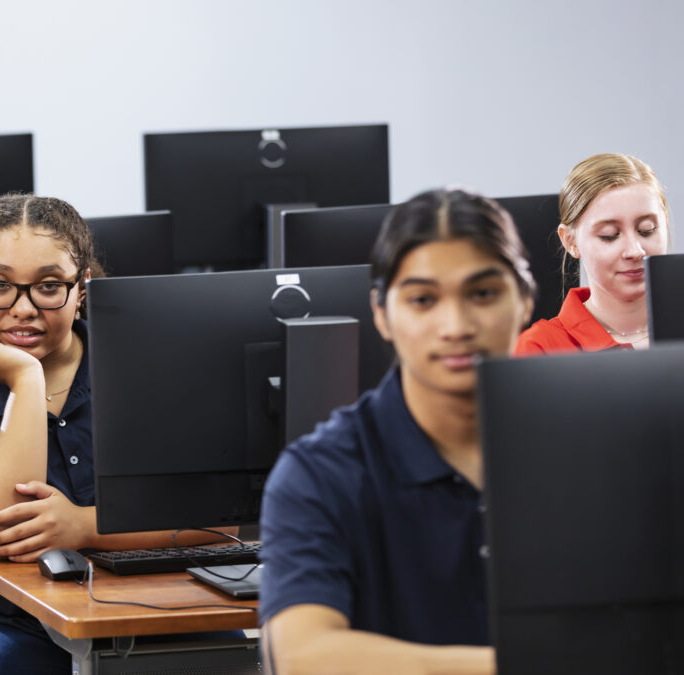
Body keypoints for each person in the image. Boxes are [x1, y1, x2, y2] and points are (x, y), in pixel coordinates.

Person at [0, 193, 237, 674]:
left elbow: (221, 523)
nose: (22, 307)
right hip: (13, 625)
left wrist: (84, 526)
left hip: (167, 607)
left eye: (48, 285)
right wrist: (25, 381)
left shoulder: (151, 366)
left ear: (81, 288)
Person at [259, 188, 536, 675]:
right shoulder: (319, 474)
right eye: (423, 300)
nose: (455, 325)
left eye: (484, 294)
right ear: (382, 314)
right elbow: (303, 658)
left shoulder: (594, 451)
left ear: (526, 300)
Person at [515, 153, 669, 354]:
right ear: (570, 241)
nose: (635, 251)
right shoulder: (539, 347)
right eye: (609, 235)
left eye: (646, 230)